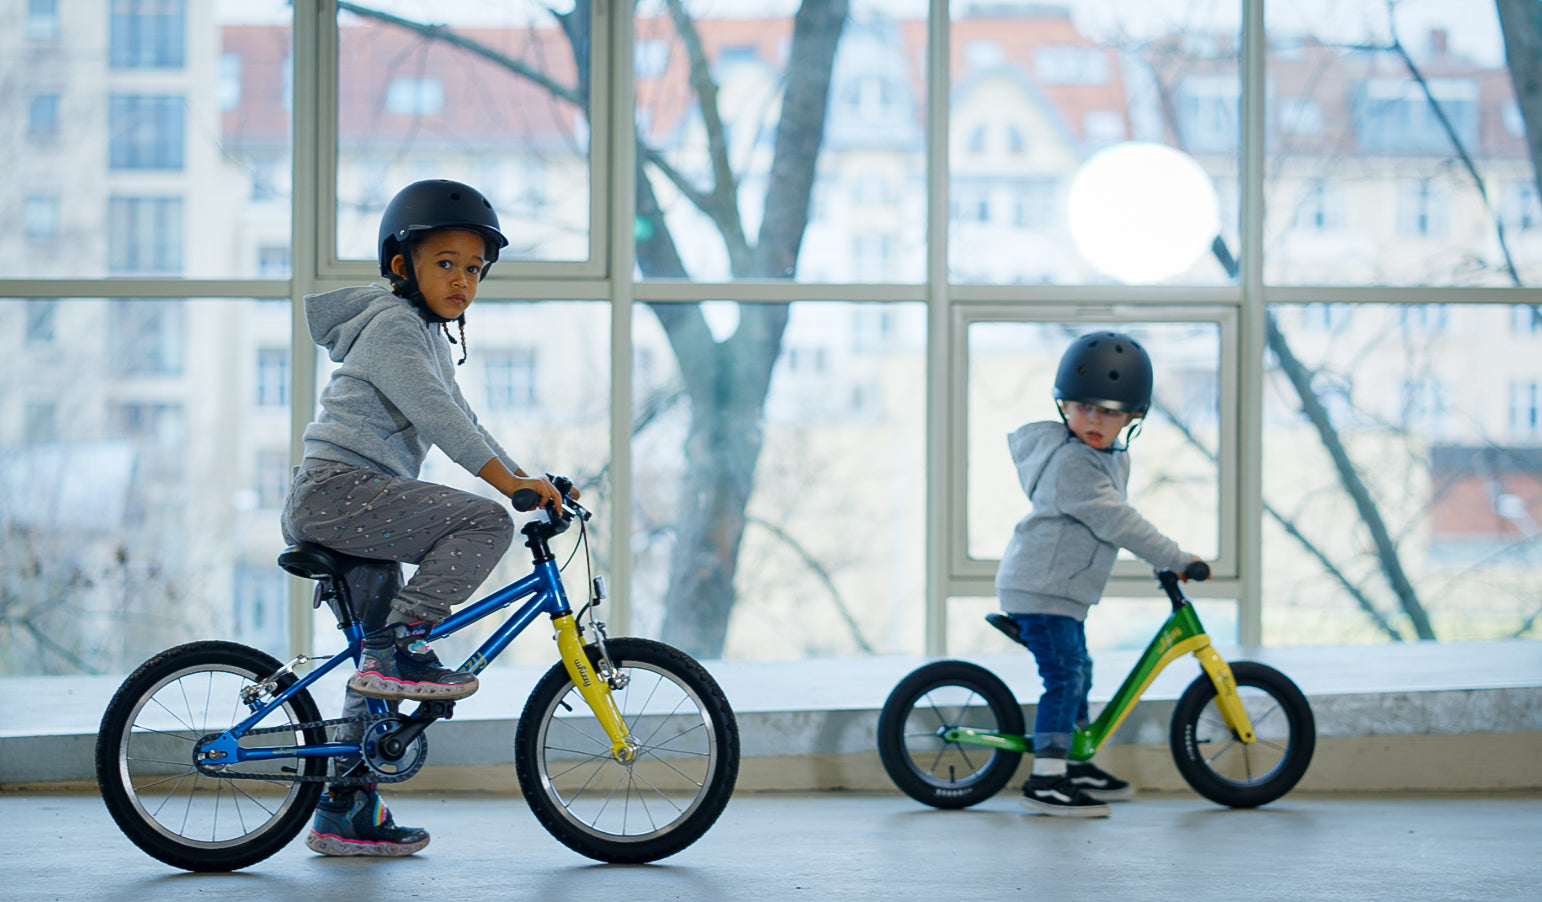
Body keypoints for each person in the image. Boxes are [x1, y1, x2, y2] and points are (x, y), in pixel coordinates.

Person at [280, 178, 564, 856]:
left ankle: (344, 809)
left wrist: (528, 477)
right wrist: (508, 491)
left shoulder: (429, 337)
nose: (464, 279)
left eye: (474, 268)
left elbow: (464, 419)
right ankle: (406, 641)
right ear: (402, 265)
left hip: (354, 499)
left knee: (372, 674)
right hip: (335, 491)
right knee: (485, 523)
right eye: (447, 263)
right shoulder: (393, 326)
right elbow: (439, 421)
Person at [992, 331, 1200, 818]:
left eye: (1108, 412)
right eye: (1082, 407)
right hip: (1040, 589)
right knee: (1064, 677)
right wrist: (1176, 558)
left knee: (1079, 672)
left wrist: (1159, 557)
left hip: (1058, 590)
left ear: (1133, 417)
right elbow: (1118, 521)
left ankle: (1074, 760)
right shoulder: (1073, 464)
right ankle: (1047, 779)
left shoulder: (1104, 457)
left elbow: (1112, 522)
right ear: (1064, 405)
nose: (1092, 420)